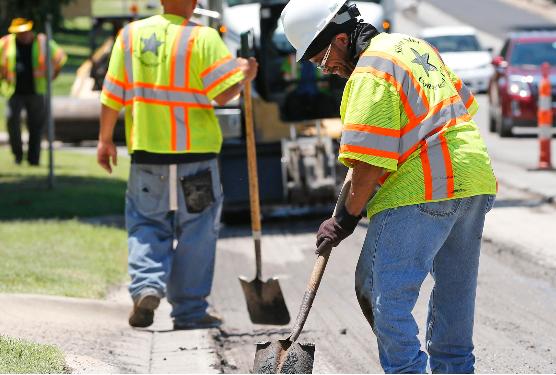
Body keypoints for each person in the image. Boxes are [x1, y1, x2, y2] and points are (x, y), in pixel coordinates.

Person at [282, 0, 497, 373]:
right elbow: (461, 107)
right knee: (454, 295)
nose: (326, 70)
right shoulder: (412, 47)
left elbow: (366, 167)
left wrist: (344, 220)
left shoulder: (369, 73)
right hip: (474, 178)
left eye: (321, 59)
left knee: (385, 296)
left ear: (341, 38)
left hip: (425, 186)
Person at [96, 0, 257, 330]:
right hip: (196, 160)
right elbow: (225, 94)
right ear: (195, 2)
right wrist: (244, 74)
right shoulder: (204, 38)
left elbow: (111, 94)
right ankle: (189, 312)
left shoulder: (129, 36)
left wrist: (105, 139)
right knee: (197, 231)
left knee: (145, 223)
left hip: (147, 157)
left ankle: (146, 287)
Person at [0, 18, 66, 165]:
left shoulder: (42, 41)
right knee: (12, 121)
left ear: (30, 30)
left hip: (36, 90)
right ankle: (17, 155)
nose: (22, 35)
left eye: (24, 32)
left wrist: (53, 74)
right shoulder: (6, 42)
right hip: (13, 90)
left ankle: (33, 159)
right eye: (19, 33)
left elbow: (60, 57)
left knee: (36, 126)